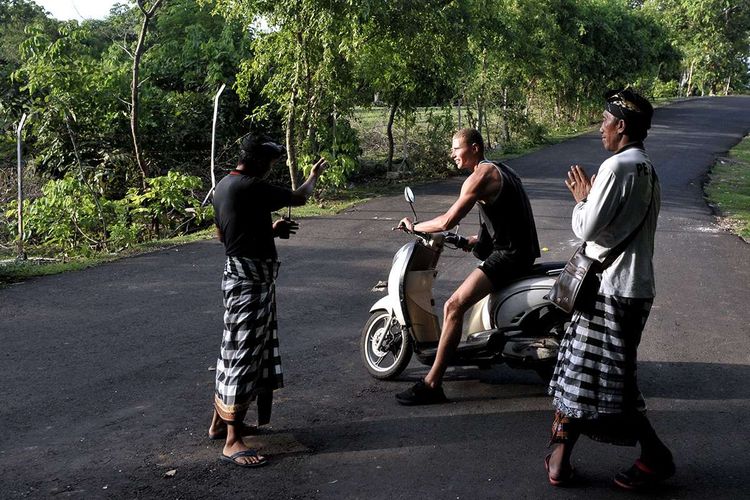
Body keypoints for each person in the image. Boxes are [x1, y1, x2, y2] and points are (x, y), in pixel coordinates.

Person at [545, 89, 674, 490]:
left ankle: (656, 458)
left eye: (605, 120)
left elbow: (586, 228)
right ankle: (560, 460)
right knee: (583, 373)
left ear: (621, 125)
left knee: (606, 381)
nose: (600, 127)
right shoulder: (647, 168)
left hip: (611, 290)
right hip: (628, 289)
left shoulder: (618, 167)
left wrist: (582, 200)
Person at [395, 128, 540, 405]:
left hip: (510, 255)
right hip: (519, 251)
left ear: (474, 148)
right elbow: (500, 221)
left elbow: (447, 220)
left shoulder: (480, 177)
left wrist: (415, 227)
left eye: (456, 149)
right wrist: (467, 242)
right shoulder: (501, 170)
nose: (452, 155)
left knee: (453, 305)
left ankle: (432, 383)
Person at [207, 134, 326, 468]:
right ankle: (233, 440)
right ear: (258, 161)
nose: (270, 171)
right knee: (244, 353)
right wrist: (313, 176)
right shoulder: (251, 186)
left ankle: (220, 422)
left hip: (237, 276)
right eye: (270, 164)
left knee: (233, 348)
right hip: (250, 282)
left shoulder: (223, 187)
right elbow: (300, 198)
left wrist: (269, 231)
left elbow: (224, 235)